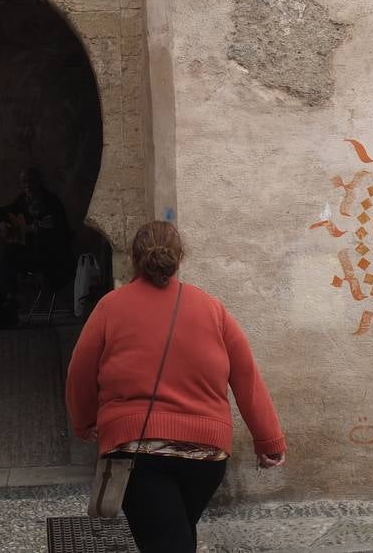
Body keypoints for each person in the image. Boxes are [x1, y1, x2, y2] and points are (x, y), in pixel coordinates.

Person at [65, 220, 285, 553]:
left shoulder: (110, 307)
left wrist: (84, 422)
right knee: (177, 537)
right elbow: (246, 376)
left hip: (138, 452)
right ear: (180, 258)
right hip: (206, 456)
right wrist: (268, 439)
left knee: (168, 542)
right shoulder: (212, 308)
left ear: (134, 259)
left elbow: (80, 372)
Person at [0, 166, 73, 310]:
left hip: (50, 255)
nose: (28, 185)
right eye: (24, 182)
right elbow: (3, 211)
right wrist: (1, 223)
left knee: (10, 255)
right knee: (8, 253)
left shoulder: (52, 202)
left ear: (38, 182)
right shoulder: (22, 202)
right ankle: (8, 299)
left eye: (31, 181)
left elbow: (59, 232)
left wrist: (37, 229)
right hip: (31, 254)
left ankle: (8, 299)